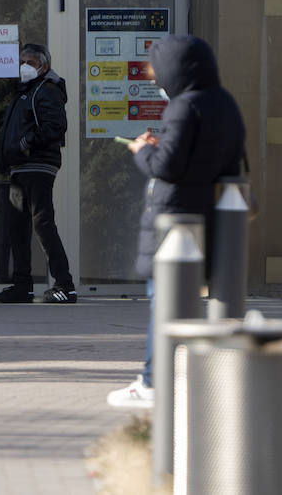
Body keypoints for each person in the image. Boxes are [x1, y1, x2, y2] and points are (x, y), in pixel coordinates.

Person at [107, 35, 246, 409]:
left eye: (158, 70)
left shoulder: (184, 106)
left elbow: (166, 166)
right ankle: (200, 378)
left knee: (163, 302)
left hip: (174, 219)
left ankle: (154, 382)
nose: (156, 80)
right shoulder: (224, 103)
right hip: (211, 217)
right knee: (194, 302)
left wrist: (143, 149)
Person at [0, 43, 75, 304]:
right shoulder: (25, 91)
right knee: (17, 227)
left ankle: (64, 286)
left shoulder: (46, 90)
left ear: (43, 65)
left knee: (42, 223)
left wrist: (25, 144)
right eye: (22, 61)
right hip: (19, 168)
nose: (24, 66)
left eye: (30, 62)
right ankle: (22, 285)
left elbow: (55, 127)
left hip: (37, 167)